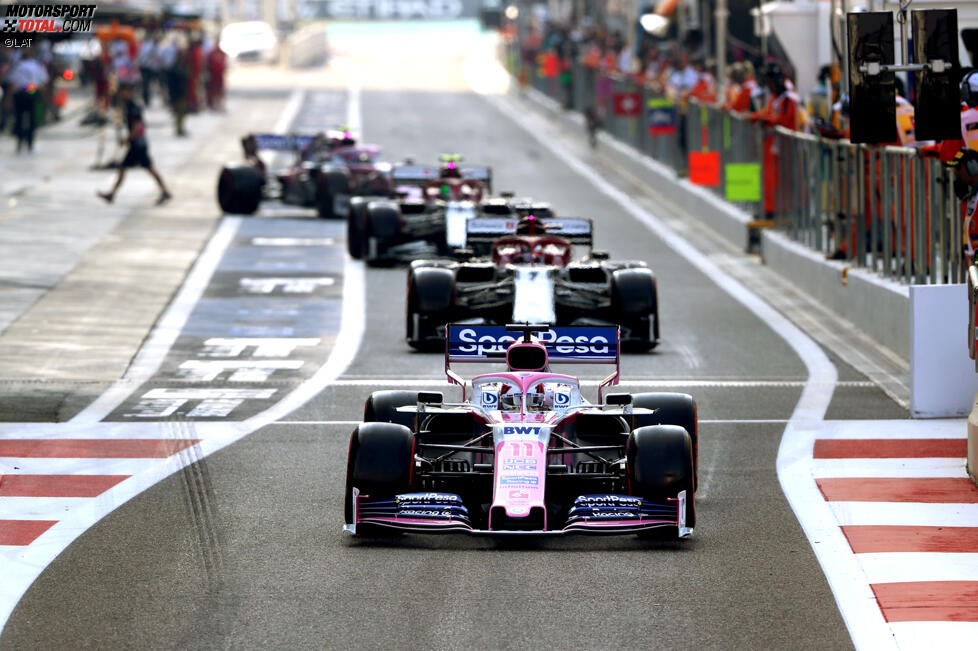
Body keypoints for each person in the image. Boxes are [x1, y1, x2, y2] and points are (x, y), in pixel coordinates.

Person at [97, 81, 171, 205]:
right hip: (135, 144)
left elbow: (137, 127)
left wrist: (127, 139)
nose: (122, 94)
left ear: (129, 93)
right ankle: (111, 194)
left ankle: (165, 192)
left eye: (124, 91)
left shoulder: (133, 107)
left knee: (149, 168)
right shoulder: (127, 105)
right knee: (124, 168)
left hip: (138, 145)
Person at [6, 48, 49, 153]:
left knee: (19, 119)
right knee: (32, 120)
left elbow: (13, 84)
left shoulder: (17, 66)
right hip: (32, 93)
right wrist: (44, 99)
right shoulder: (37, 66)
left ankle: (20, 143)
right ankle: (30, 143)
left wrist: (9, 99)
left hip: (20, 94)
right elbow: (43, 83)